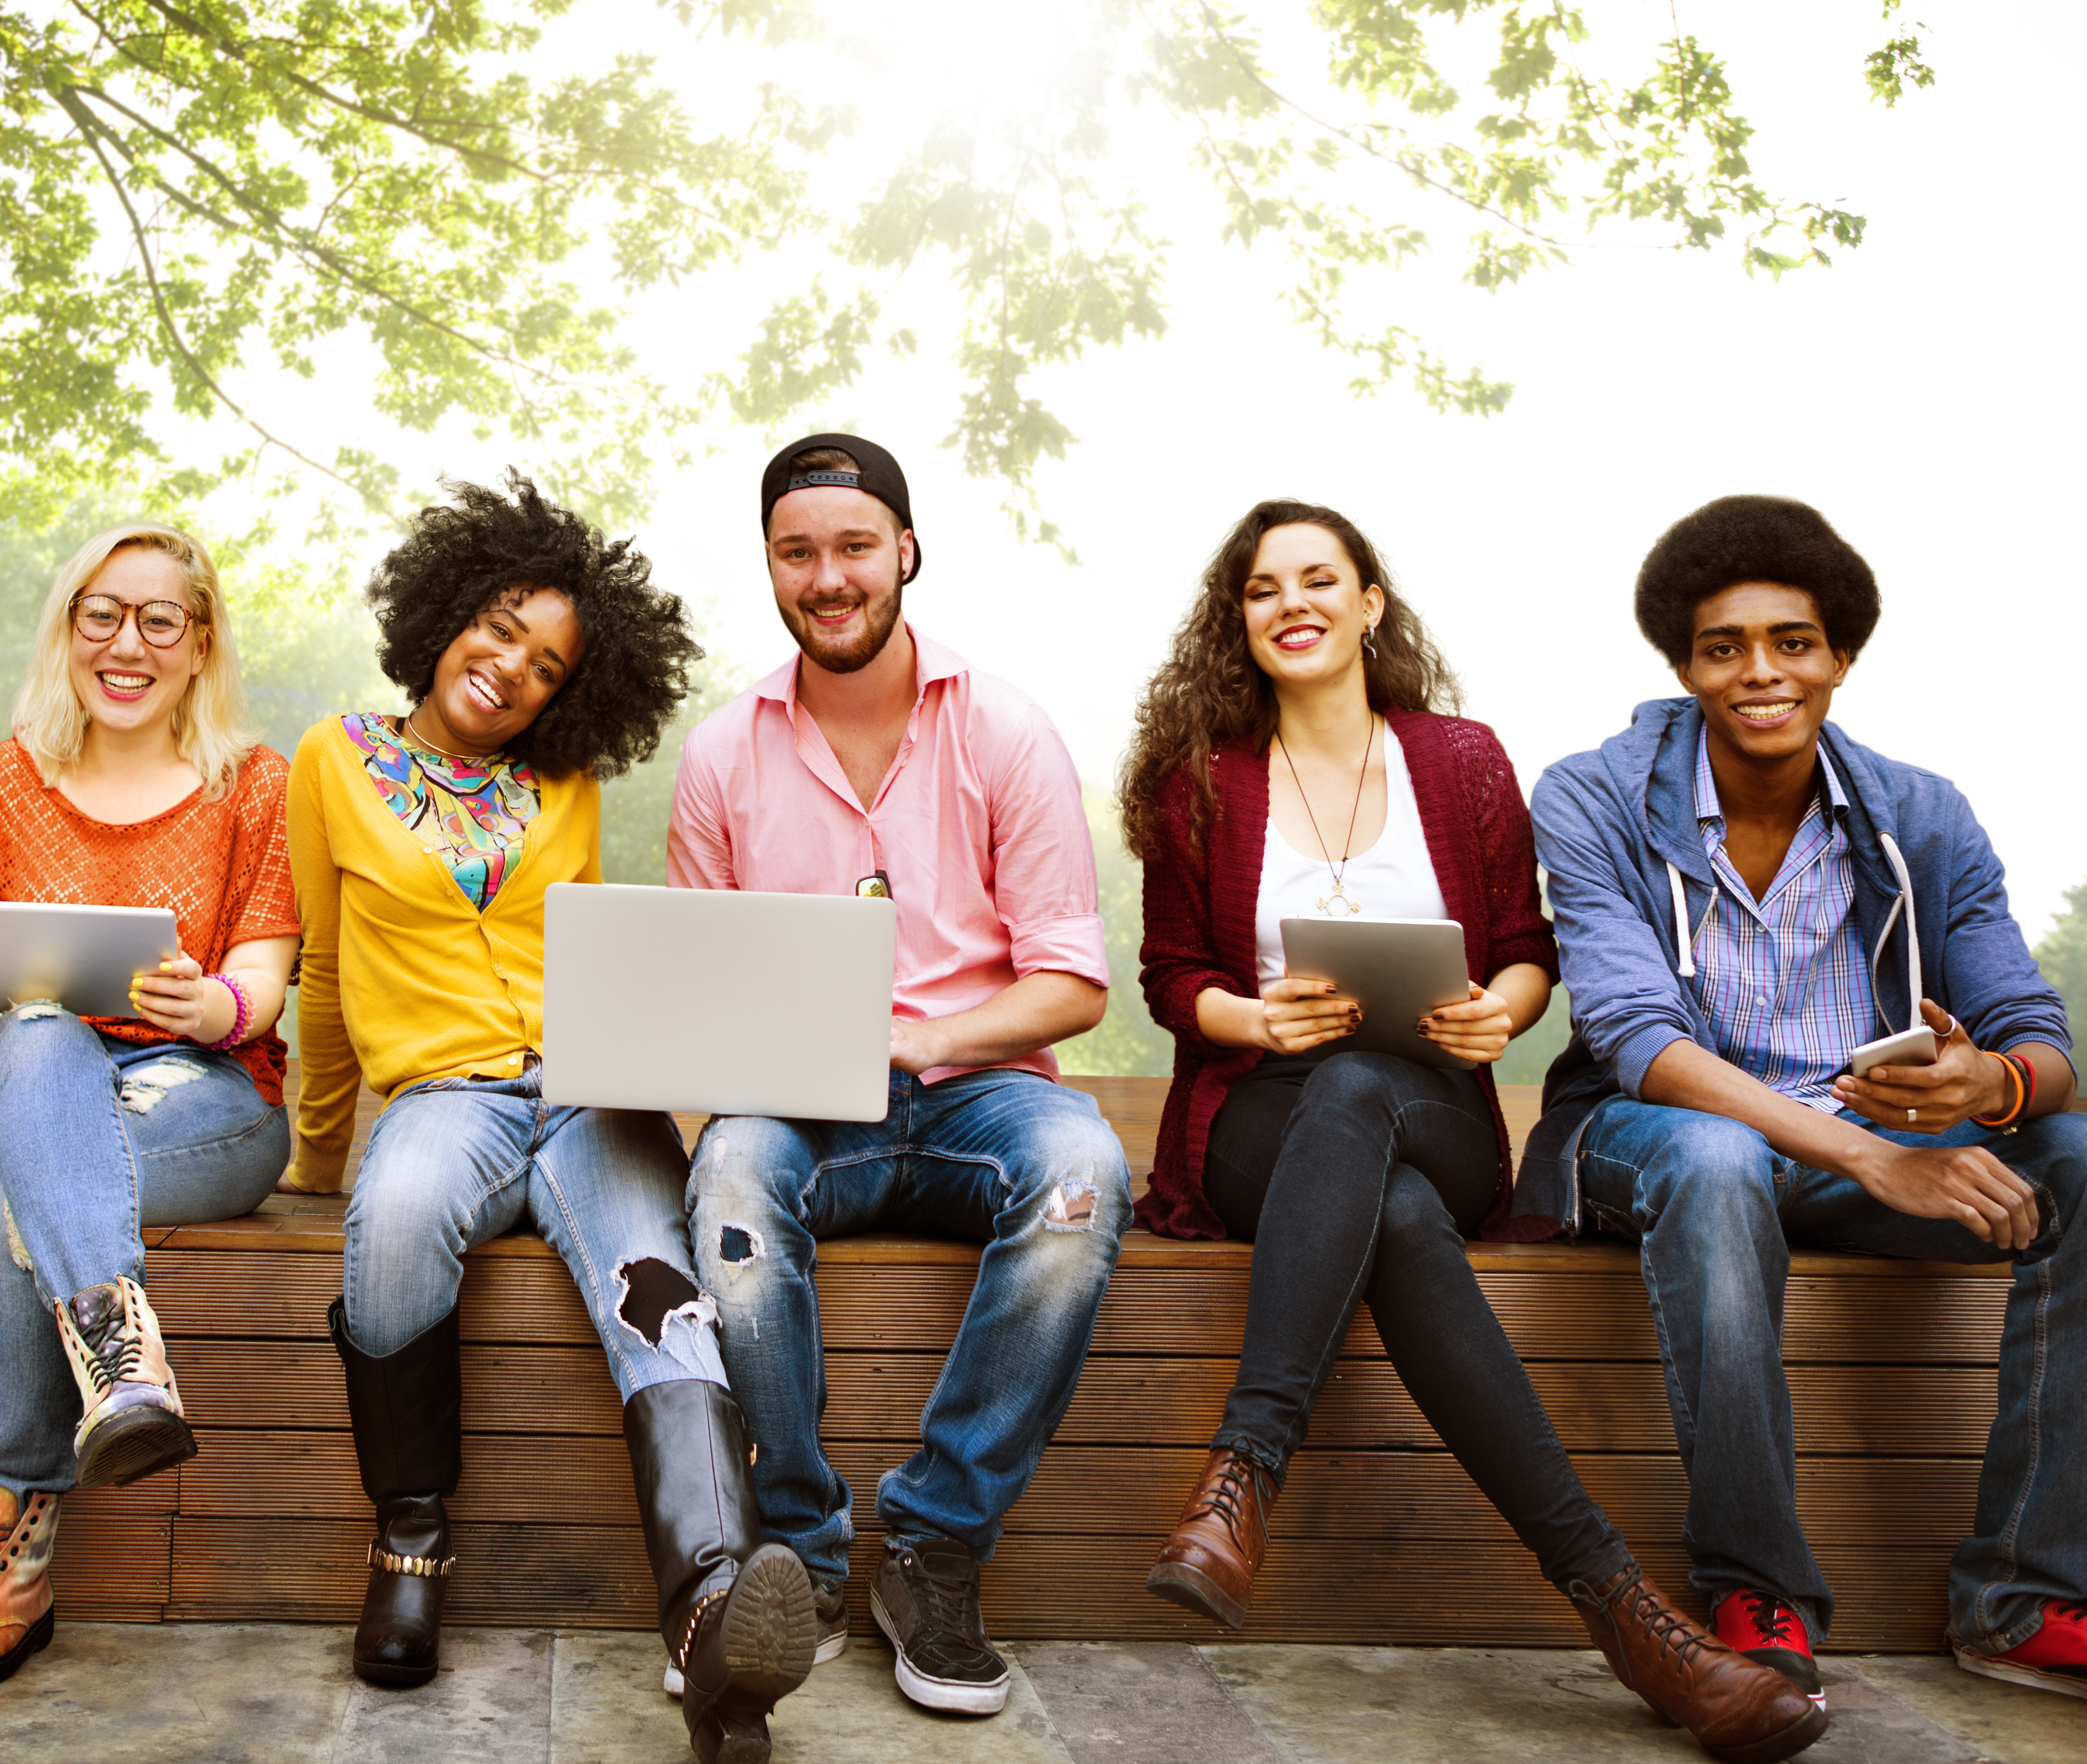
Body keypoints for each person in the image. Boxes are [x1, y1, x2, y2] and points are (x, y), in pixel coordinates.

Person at [1121, 501, 1825, 1762]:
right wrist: (1252, 1016)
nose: (1292, 603)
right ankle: (1628, 1617)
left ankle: (1242, 1474)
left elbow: (1526, 949)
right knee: (1363, 1167)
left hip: (1433, 1104)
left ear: (1370, 602)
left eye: (1319, 579)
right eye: (1261, 587)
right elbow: (1170, 974)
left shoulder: (1457, 759)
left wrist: (1495, 1013)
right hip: (1254, 1119)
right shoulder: (1202, 777)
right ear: (1237, 619)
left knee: (1369, 1106)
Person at [1524, 495, 2085, 1706]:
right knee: (1719, 1161)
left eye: (1792, 641)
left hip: (1864, 1144)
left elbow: (2041, 1039)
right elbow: (1634, 1041)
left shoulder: (1919, 812)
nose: (1760, 672)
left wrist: (1985, 1084)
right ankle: (1754, 1585)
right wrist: (1873, 1158)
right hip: (1653, 1139)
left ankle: (2023, 1595)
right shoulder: (1592, 795)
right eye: (1723, 646)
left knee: (2078, 1160)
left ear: (1840, 656)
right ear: (1681, 662)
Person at [293, 476, 813, 1764]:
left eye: (545, 665)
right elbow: (315, 967)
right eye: (498, 629)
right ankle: (409, 1537)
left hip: (586, 1092)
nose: (511, 668)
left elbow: (593, 954)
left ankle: (707, 1611)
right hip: (443, 1096)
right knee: (400, 1212)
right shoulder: (332, 760)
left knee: (661, 1287)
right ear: (446, 612)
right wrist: (315, 1148)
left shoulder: (564, 784)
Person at [670, 434, 1125, 1722]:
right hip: (807, 1110)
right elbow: (703, 984)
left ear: (906, 552)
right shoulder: (721, 754)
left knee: (1084, 1166)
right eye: (797, 551)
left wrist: (923, 1039)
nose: (828, 576)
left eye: (854, 546)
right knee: (735, 1171)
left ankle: (934, 1546)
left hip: (979, 1091)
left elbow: (1072, 986)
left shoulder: (1007, 730)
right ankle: (799, 1556)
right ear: (770, 565)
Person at [0, 522, 299, 1696]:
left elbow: (262, 977)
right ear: (67, 628)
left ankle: (1, 1562)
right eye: (100, 613)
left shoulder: (252, 784)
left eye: (161, 619)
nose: (127, 643)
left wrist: (213, 1005)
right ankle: (119, 1357)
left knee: (29, 1190)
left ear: (201, 643)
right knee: (41, 1028)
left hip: (196, 1098)